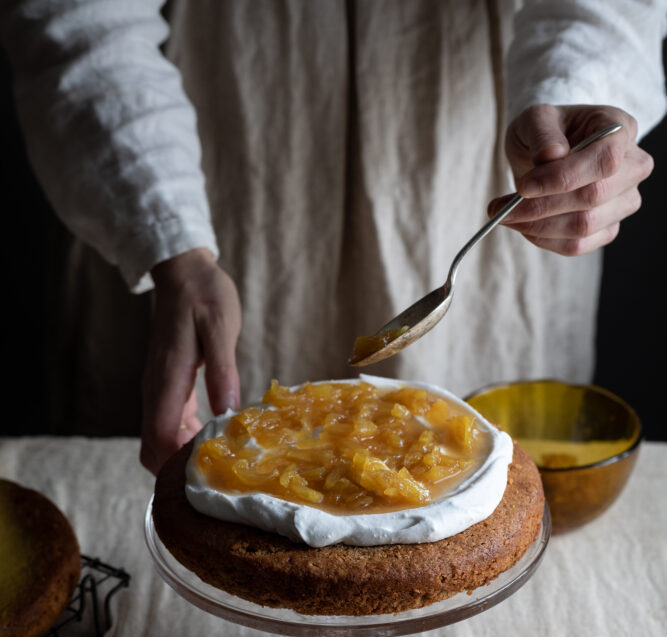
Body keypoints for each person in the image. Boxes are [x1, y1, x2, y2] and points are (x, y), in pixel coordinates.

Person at [2, 1, 665, 474]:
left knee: (477, 480)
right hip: (205, 145)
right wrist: (172, 242)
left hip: (472, 139)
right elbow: (81, 16)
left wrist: (580, 83)